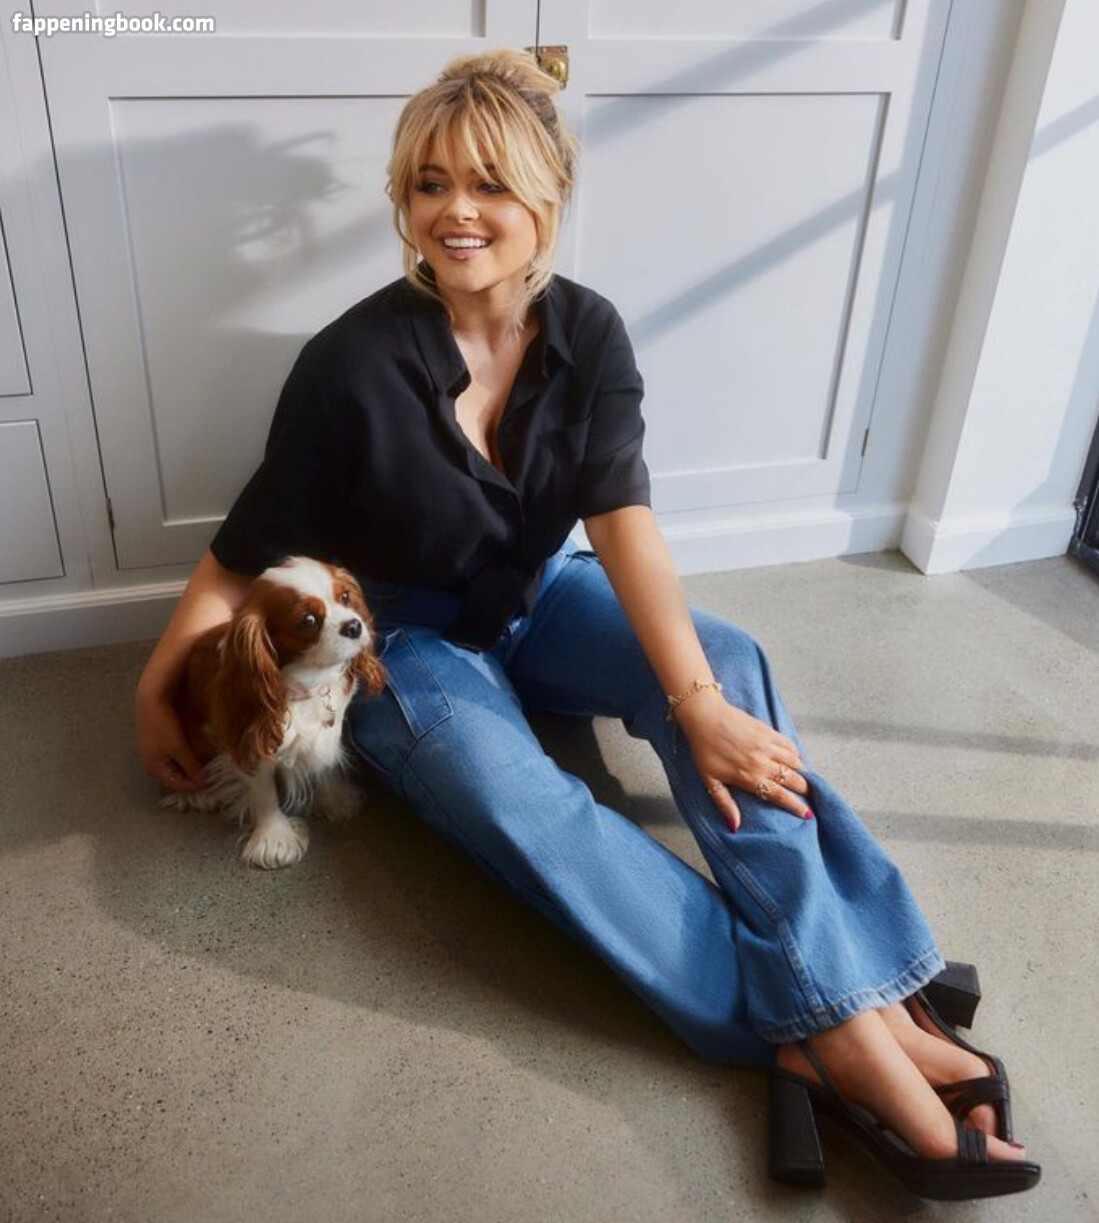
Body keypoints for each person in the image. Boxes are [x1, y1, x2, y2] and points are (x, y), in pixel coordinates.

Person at [136, 49, 1037, 1197]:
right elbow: (240, 554)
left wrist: (695, 704)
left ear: (548, 195)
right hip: (405, 643)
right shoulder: (345, 365)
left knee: (725, 660)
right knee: (518, 797)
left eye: (489, 183)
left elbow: (622, 524)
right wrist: (154, 680)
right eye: (428, 184)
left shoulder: (589, 333)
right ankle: (856, 1026)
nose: (455, 212)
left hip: (536, 591)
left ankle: (837, 1012)